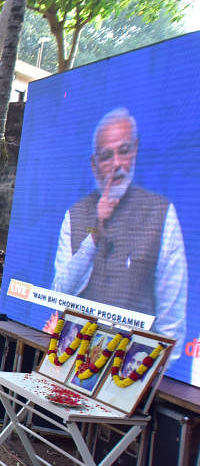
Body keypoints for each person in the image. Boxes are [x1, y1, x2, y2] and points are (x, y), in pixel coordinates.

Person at [52, 107, 187, 357]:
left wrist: (151, 373)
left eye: (123, 151)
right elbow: (59, 294)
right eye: (106, 156)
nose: (116, 164)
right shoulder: (75, 214)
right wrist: (94, 236)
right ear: (94, 165)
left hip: (132, 365)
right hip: (74, 354)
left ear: (135, 151)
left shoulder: (162, 213)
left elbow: (172, 320)